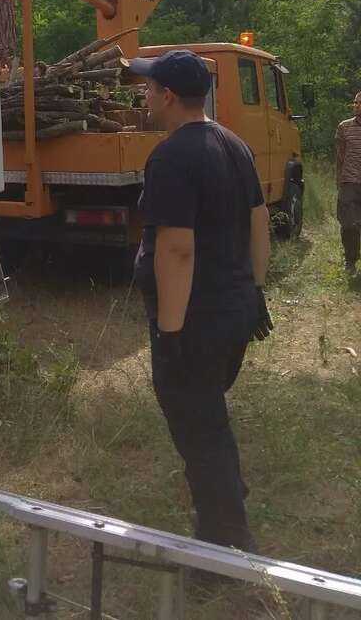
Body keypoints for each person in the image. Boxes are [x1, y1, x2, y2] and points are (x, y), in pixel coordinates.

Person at [127, 49, 272, 553]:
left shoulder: (171, 155)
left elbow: (177, 247)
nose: (144, 96)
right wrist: (255, 290)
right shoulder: (235, 144)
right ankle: (224, 498)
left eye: (148, 88)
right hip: (233, 311)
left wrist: (170, 336)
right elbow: (259, 222)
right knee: (206, 415)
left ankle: (226, 543)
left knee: (198, 426)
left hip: (196, 320)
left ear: (167, 96)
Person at [335, 90, 361, 277]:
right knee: (349, 224)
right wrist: (340, 180)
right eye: (355, 102)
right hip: (349, 182)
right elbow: (340, 155)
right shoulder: (344, 127)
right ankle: (350, 260)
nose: (356, 106)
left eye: (360, 103)